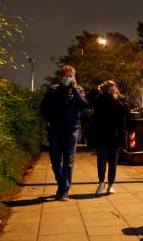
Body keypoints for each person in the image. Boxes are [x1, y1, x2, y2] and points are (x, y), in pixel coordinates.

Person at [40, 65, 88, 200]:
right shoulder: (53, 90)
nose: (68, 78)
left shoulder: (79, 89)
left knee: (69, 161)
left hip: (72, 129)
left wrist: (74, 89)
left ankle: (63, 191)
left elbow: (83, 105)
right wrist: (48, 120)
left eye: (70, 76)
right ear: (61, 77)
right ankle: (62, 186)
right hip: (55, 130)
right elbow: (44, 108)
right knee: (55, 161)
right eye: (66, 76)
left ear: (74, 76)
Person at [88, 80, 130, 195]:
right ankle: (101, 183)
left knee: (113, 162)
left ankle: (111, 185)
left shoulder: (121, 99)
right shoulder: (101, 99)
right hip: (102, 135)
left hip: (116, 136)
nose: (112, 90)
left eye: (113, 87)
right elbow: (90, 103)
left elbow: (125, 112)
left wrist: (116, 100)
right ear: (105, 89)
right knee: (101, 160)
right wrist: (96, 91)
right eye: (109, 88)